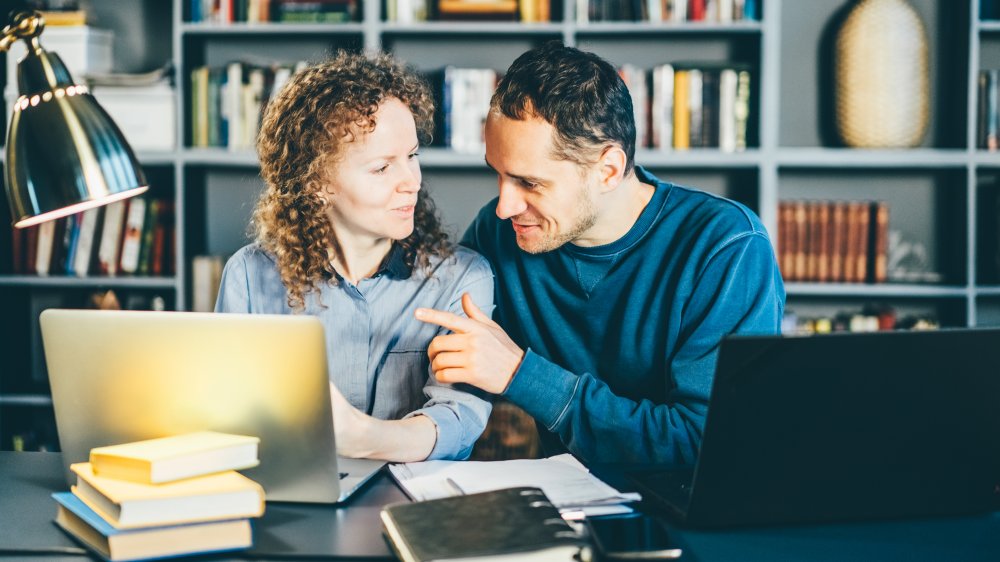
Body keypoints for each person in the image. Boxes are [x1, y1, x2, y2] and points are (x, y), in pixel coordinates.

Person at [415, 42, 785, 465]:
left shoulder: (726, 247)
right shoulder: (500, 234)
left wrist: (521, 374)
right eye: (497, 174)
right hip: (565, 509)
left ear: (607, 170)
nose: (504, 206)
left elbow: (706, 448)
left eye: (530, 183)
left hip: (688, 522)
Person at [215, 51, 494, 463]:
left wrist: (362, 436)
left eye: (413, 156)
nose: (411, 182)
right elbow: (228, 419)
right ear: (317, 184)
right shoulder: (249, 275)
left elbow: (459, 419)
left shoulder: (462, 276)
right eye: (382, 168)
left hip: (414, 507)